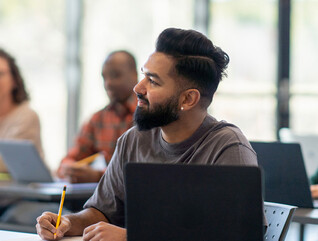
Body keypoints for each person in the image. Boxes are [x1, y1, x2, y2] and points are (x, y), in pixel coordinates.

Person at [36, 28, 260, 241]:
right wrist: (65, 222)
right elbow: (100, 213)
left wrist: (131, 237)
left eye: (153, 81)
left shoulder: (228, 148)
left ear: (188, 99)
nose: (138, 88)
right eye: (144, 76)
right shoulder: (133, 140)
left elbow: (236, 234)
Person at [57, 50, 138, 183]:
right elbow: (72, 157)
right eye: (104, 77)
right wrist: (69, 168)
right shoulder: (98, 118)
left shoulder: (148, 116)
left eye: (115, 75)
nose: (108, 83)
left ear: (135, 75)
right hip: (101, 197)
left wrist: (98, 176)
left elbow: (140, 170)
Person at [0, 48, 44, 173]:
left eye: (0, 74)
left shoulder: (27, 116)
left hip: (24, 191)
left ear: (14, 80)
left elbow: (6, 162)